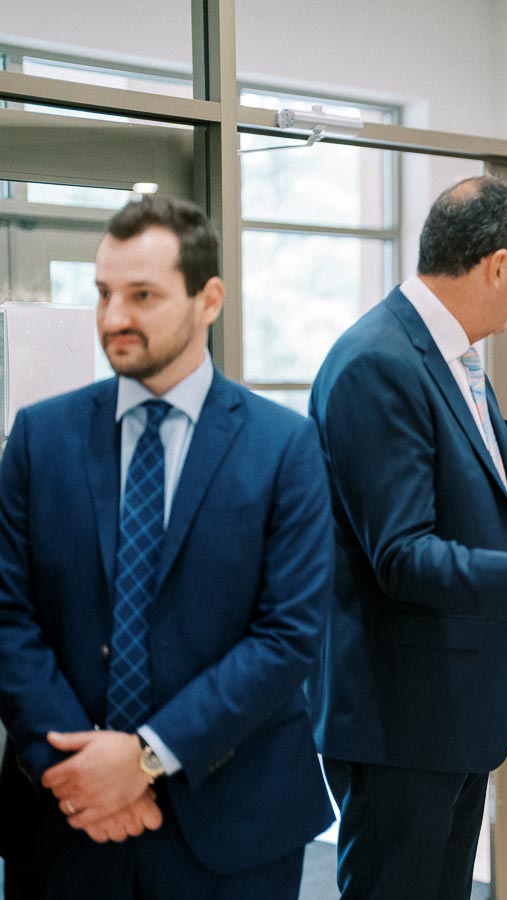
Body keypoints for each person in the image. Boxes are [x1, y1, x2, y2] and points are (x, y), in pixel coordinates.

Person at [0, 196, 335, 899]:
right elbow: (7, 616)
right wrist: (80, 773)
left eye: (142, 295)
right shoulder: (40, 438)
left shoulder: (284, 446)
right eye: (104, 293)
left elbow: (288, 635)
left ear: (208, 299)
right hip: (66, 819)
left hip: (234, 823)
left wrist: (145, 758)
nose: (113, 317)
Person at [307, 175, 507, 900]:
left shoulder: (450, 357)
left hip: (450, 706)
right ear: (495, 264)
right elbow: (399, 553)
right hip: (399, 712)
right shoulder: (377, 363)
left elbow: (461, 503)